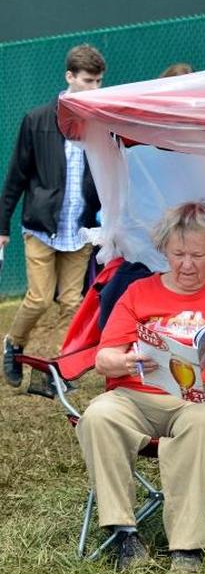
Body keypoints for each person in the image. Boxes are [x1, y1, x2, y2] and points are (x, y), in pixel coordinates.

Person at [78, 201, 205, 573]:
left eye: (198, 255)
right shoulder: (139, 293)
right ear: (164, 250)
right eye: (178, 253)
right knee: (98, 415)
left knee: (199, 421)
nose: (187, 264)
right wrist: (131, 360)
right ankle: (124, 534)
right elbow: (104, 359)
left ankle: (186, 549)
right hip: (142, 391)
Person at [2, 43, 106, 388]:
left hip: (80, 231)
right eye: (89, 81)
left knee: (72, 303)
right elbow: (16, 175)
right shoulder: (37, 120)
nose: (95, 88)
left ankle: (56, 371)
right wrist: (2, 226)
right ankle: (13, 345)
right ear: (70, 77)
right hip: (41, 228)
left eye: (99, 81)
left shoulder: (99, 122)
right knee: (39, 298)